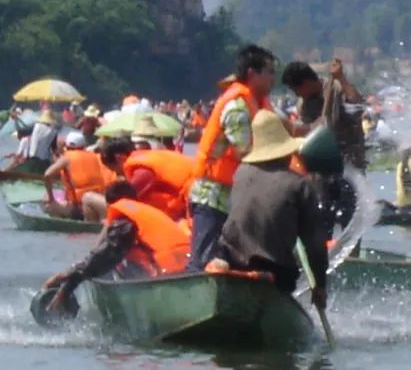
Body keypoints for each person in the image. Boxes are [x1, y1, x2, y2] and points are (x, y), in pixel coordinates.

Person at [187, 45, 305, 271]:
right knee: (201, 262)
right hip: (212, 195)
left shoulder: (259, 104)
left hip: (235, 196)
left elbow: (286, 130)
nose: (273, 78)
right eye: (269, 72)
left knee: (231, 261)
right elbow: (246, 153)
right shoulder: (237, 107)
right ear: (252, 73)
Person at [216, 110, 328, 309]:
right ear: (285, 153)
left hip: (232, 261)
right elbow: (315, 245)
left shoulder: (240, 173)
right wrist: (320, 286)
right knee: (287, 271)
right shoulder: (299, 185)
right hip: (274, 271)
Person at [40, 181, 191, 312]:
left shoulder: (125, 221)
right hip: (187, 272)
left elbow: (104, 256)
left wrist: (67, 281)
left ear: (111, 204)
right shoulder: (150, 213)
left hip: (167, 277)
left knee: (112, 264)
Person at [320, 58, 367, 240]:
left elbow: (356, 101)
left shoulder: (350, 106)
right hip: (326, 172)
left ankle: (351, 259)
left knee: (352, 222)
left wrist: (341, 78)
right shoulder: (316, 104)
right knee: (324, 224)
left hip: (349, 169)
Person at [42, 131, 113, 221]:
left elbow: (47, 175)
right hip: (97, 201)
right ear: (84, 145)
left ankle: (67, 227)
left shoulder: (66, 158)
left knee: (49, 206)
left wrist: (52, 198)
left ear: (66, 146)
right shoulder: (94, 156)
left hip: (79, 207)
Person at [281, 61, 325, 126]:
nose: (297, 94)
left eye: (295, 90)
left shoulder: (335, 90)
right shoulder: (302, 104)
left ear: (306, 83)